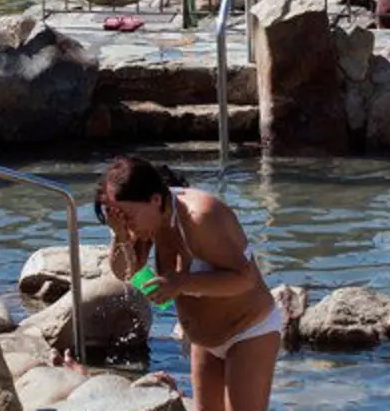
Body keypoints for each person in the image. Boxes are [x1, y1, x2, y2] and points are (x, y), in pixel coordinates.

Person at [96, 157, 280, 411]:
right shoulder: (148, 222)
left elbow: (245, 279)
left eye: (127, 215)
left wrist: (181, 283)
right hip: (204, 340)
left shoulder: (200, 216)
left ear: (155, 200)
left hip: (248, 330)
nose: (127, 223)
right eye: (118, 217)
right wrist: (121, 236)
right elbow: (126, 273)